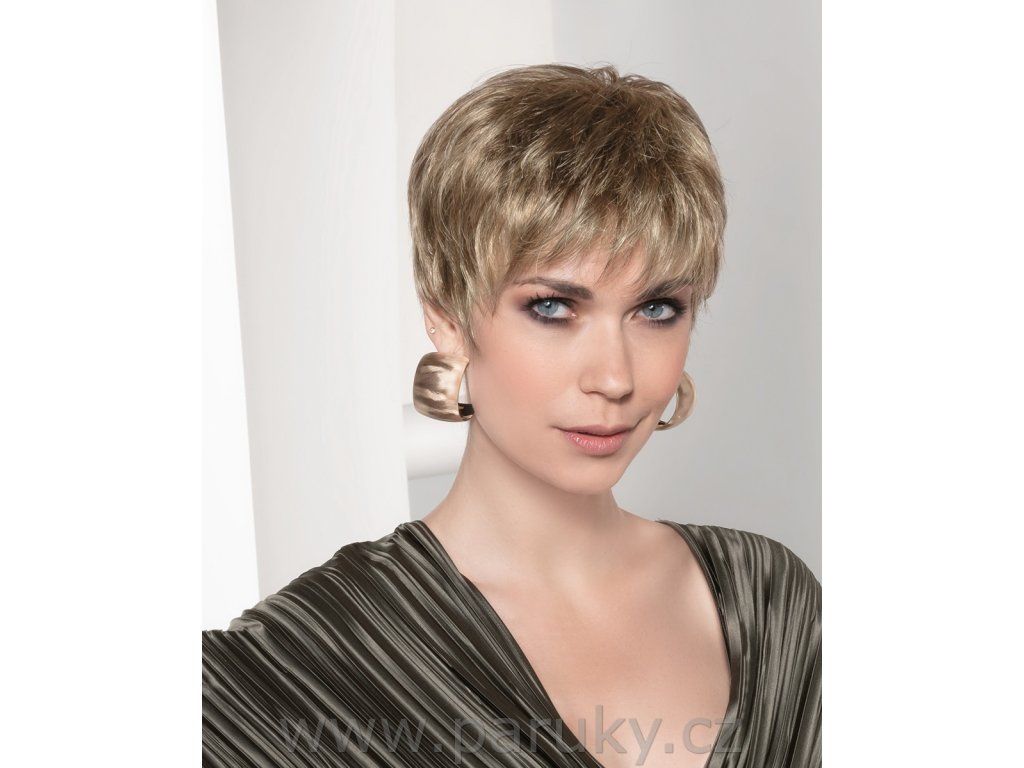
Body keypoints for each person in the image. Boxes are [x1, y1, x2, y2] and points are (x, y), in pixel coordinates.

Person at [203, 63, 820, 768]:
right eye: (553, 308)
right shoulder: (290, 673)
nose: (615, 377)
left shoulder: (771, 603)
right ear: (448, 318)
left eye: (656, 309)